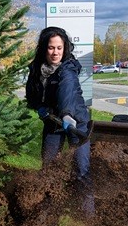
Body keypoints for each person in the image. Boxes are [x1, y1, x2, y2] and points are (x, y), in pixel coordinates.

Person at [25, 26, 94, 215]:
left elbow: (67, 90)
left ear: (65, 49)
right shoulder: (37, 69)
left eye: (59, 48)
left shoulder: (68, 68)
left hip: (76, 122)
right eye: (51, 48)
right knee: (48, 166)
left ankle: (87, 215)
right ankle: (49, 210)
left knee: (81, 167)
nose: (55, 52)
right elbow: (31, 93)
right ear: (44, 48)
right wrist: (38, 106)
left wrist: (66, 114)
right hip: (53, 122)